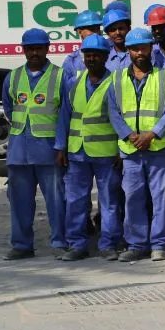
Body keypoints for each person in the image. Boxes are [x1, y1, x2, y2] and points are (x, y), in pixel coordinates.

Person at [108, 28, 165, 262]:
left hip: (155, 148)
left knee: (160, 196)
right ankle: (136, 244)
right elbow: (113, 112)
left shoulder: (163, 76)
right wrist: (129, 136)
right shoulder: (116, 79)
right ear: (128, 51)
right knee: (133, 197)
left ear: (151, 49)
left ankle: (158, 243)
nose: (140, 52)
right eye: (135, 49)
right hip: (130, 150)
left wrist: (151, 134)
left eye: (144, 48)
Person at [55, 34, 121, 261]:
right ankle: (77, 245)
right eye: (88, 55)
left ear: (106, 57)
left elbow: (123, 120)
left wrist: (121, 151)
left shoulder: (116, 83)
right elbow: (64, 116)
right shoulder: (74, 83)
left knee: (109, 202)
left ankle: (108, 244)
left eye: (97, 55)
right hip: (77, 152)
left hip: (106, 154)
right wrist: (61, 147)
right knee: (75, 201)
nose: (91, 59)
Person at [2, 29, 66, 260]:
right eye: (30, 48)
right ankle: (21, 245)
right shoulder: (13, 76)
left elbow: (64, 115)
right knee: (19, 201)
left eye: (38, 48)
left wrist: (61, 146)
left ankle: (60, 242)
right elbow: (9, 108)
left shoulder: (60, 76)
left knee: (57, 200)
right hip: (19, 151)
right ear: (23, 50)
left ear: (47, 48)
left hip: (49, 150)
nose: (34, 53)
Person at [62, 10, 104, 80]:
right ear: (79, 32)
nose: (96, 33)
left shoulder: (111, 55)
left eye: (98, 28)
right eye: (92, 29)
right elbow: (65, 88)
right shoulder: (71, 61)